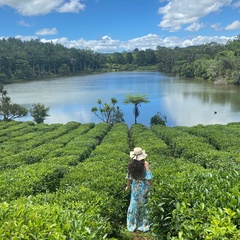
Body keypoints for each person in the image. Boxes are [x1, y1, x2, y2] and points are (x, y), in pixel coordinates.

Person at [125, 147, 153, 232]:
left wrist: (128, 186)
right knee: (144, 205)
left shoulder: (131, 164)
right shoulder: (145, 164)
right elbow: (149, 177)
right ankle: (143, 224)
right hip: (145, 187)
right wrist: (152, 186)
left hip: (136, 187)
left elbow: (129, 177)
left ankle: (132, 224)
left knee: (134, 205)